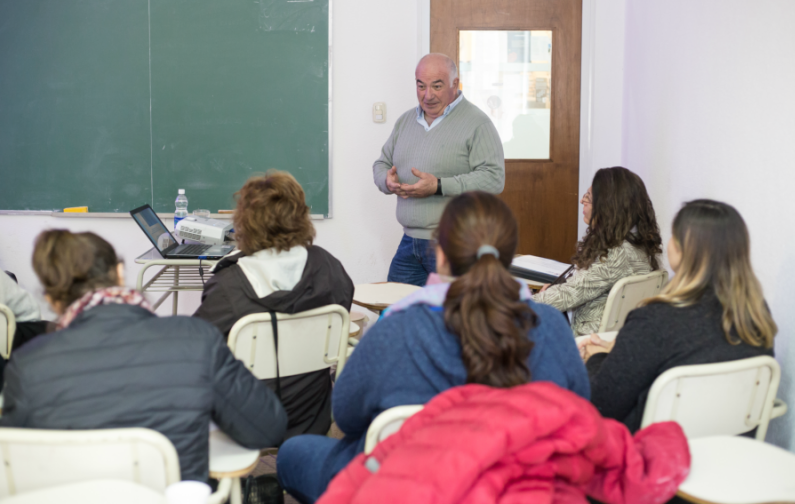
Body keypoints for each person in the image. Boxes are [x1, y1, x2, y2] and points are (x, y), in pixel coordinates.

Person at [276, 191, 590, 504]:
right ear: (508, 257)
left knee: (294, 452)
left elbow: (346, 416)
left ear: (441, 254)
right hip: (515, 486)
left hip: (401, 488)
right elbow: (578, 410)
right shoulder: (549, 324)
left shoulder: (396, 327)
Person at [0, 230, 287, 481]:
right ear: (120, 272)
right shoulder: (195, 338)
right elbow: (267, 428)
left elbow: (13, 463)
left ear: (50, 298)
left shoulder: (27, 366)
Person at [581, 200, 777, 434]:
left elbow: (602, 407)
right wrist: (625, 349)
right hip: (731, 451)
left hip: (653, 452)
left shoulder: (654, 320)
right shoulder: (755, 315)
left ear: (684, 250)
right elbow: (691, 355)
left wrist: (597, 359)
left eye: (673, 235)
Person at [194, 171, 354, 439]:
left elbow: (198, 352)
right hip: (313, 416)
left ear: (243, 221)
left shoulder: (228, 285)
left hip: (244, 422)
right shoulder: (329, 267)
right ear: (301, 216)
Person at [373, 53, 505, 286]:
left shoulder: (477, 123)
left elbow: (494, 179)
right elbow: (381, 163)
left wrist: (439, 186)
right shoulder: (405, 121)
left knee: (453, 319)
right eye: (421, 86)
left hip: (454, 245)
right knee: (399, 316)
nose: (428, 95)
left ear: (455, 84)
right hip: (408, 242)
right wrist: (386, 180)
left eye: (437, 86)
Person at [532, 167, 662, 336]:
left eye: (588, 198)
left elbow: (571, 294)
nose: (581, 201)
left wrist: (521, 303)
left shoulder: (619, 253)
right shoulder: (634, 243)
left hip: (583, 335)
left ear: (609, 207)